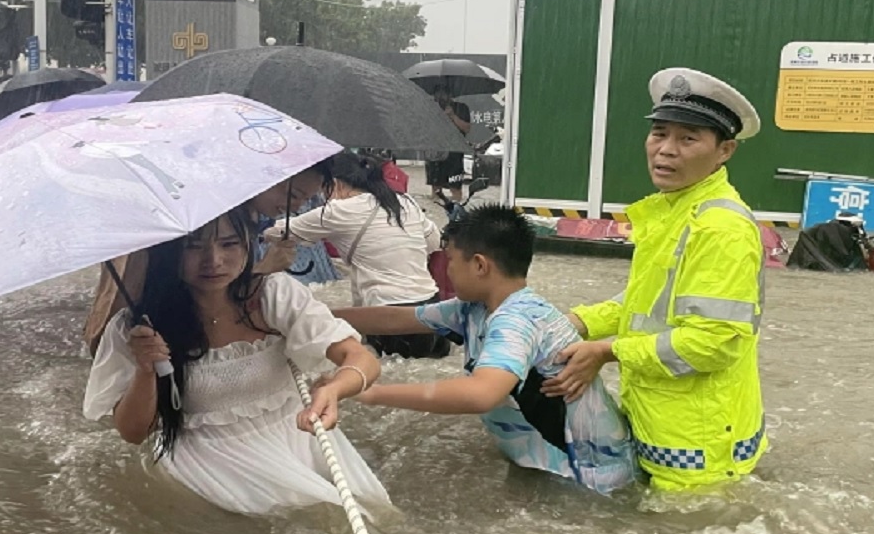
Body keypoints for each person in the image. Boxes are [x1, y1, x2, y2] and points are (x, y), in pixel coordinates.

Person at [308, 204, 637, 495]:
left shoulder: (516, 321)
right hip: (550, 465)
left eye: (451, 260)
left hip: (589, 480)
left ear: (480, 265)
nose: (447, 270)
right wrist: (309, 316)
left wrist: (371, 393)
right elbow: (396, 318)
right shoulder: (475, 308)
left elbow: (481, 394)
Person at [545, 68, 767, 493]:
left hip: (700, 451)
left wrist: (606, 351)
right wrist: (579, 321)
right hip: (662, 426)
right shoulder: (672, 211)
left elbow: (712, 342)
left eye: (688, 139)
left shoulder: (720, 228)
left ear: (725, 150)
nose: (666, 150)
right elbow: (645, 303)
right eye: (659, 134)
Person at [84, 208, 391, 514]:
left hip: (302, 441)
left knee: (372, 516)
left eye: (229, 244)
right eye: (193, 247)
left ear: (248, 243)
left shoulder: (273, 295)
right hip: (213, 466)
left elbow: (361, 359)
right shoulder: (137, 327)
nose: (214, 260)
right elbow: (134, 433)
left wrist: (334, 389)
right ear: (168, 252)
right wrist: (146, 369)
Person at [83, 161, 332, 355]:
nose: (296, 208)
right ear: (266, 176)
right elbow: (168, 288)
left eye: (305, 200)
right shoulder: (193, 215)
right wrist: (263, 268)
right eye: (293, 195)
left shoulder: (254, 217)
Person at [264, 152, 451, 359]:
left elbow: (275, 231)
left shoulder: (338, 211)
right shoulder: (405, 202)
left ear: (336, 184)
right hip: (432, 312)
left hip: (388, 318)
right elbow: (435, 242)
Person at [425, 86, 470, 206]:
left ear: (450, 95)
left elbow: (466, 128)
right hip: (435, 151)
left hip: (454, 152)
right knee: (436, 188)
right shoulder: (429, 108)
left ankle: (456, 208)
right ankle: (437, 208)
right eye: (437, 94)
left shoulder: (461, 108)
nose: (440, 97)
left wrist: (452, 116)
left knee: (455, 186)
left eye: (443, 94)